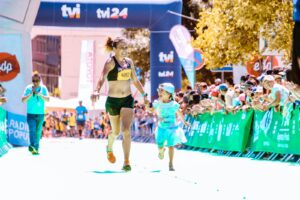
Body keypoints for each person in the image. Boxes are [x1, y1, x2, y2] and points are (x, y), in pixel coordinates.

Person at [91, 37, 147, 172]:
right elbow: (101, 78)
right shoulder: (110, 62)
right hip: (113, 101)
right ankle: (109, 147)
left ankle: (126, 162)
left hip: (127, 99)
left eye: (125, 47)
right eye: (121, 47)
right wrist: (96, 90)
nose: (124, 50)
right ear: (114, 49)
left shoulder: (129, 62)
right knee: (115, 131)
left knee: (126, 130)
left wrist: (144, 95)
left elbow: (135, 80)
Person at [145, 83, 189, 171]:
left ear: (169, 94)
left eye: (162, 91)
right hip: (161, 128)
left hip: (172, 128)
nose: (160, 93)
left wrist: (184, 122)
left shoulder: (174, 104)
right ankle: (161, 150)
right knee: (160, 145)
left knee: (171, 145)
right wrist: (146, 105)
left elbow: (179, 113)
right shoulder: (157, 103)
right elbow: (151, 110)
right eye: (159, 91)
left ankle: (171, 163)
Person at [22, 73, 49, 155]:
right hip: (30, 114)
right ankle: (32, 146)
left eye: (37, 81)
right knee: (32, 130)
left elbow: (47, 99)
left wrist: (39, 94)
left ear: (40, 80)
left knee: (38, 132)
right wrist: (31, 94)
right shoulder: (28, 88)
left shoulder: (43, 88)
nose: (35, 82)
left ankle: (36, 148)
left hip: (40, 114)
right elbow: (23, 100)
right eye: (33, 81)